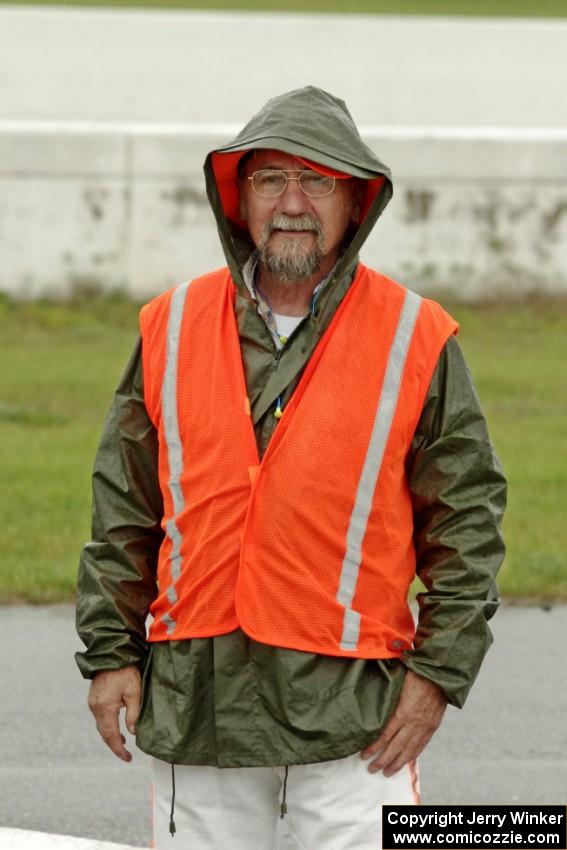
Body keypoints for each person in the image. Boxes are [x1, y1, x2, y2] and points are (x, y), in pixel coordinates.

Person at [75, 86, 506, 850]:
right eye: (271, 178)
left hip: (355, 727)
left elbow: (466, 520)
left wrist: (438, 676)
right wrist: (110, 654)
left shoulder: (417, 335)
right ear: (239, 198)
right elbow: (124, 509)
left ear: (356, 201)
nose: (294, 201)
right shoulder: (169, 325)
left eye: (320, 180)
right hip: (198, 709)